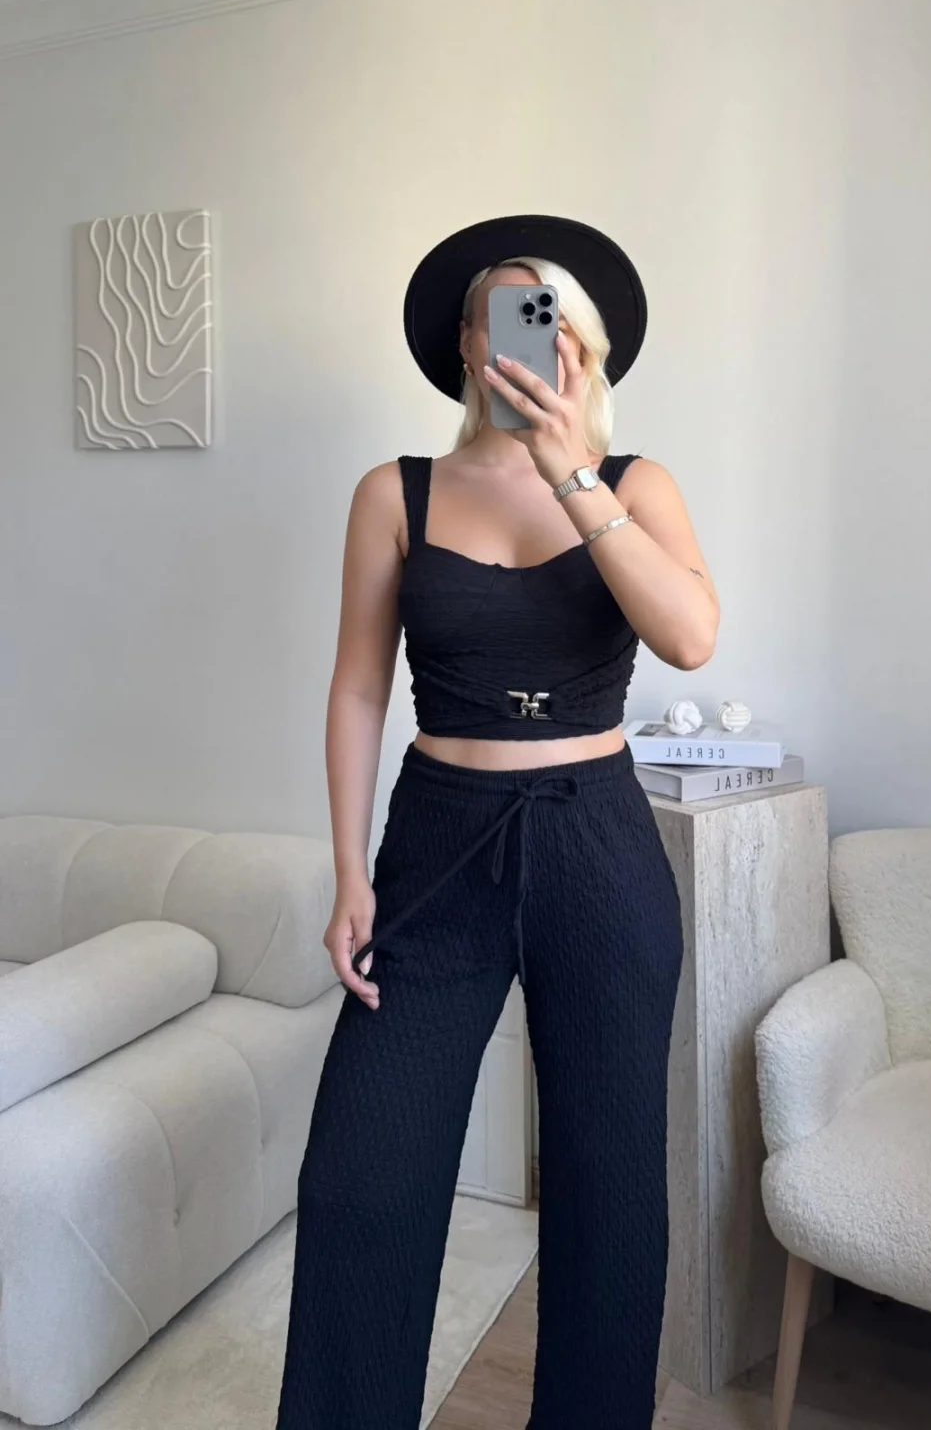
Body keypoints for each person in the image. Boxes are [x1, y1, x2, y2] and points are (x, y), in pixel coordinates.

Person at [275, 214, 721, 1430]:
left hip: (599, 844)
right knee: (363, 1179)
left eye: (551, 315)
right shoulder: (396, 493)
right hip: (438, 840)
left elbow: (690, 636)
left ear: (584, 346)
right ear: (468, 346)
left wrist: (574, 473)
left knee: (607, 1189)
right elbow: (358, 687)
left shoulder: (636, 486)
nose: (529, 335)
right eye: (505, 315)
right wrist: (349, 871)